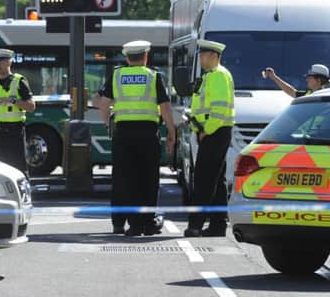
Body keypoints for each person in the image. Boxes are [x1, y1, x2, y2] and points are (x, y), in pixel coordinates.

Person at [97, 40, 176, 237]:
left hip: (123, 134)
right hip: (148, 133)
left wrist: (108, 124)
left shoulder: (116, 75)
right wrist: (171, 131)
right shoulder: (153, 76)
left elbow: (103, 104)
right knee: (149, 179)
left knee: (128, 179)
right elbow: (165, 107)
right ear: (146, 56)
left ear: (127, 58)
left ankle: (134, 225)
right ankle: (148, 223)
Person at [184, 39, 235, 238]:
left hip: (214, 132)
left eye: (203, 55)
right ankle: (217, 225)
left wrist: (206, 130)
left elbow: (220, 110)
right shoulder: (212, 76)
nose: (200, 58)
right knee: (217, 181)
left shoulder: (218, 76)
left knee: (203, 180)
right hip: (213, 131)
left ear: (214, 56)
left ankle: (195, 225)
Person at [0, 49, 35, 174]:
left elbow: (31, 106)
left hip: (14, 132)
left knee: (18, 168)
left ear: (9, 63)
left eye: (1, 62)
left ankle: (23, 193)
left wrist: (13, 101)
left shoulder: (19, 81)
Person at [262, 64, 330, 97]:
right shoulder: (308, 94)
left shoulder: (327, 97)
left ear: (318, 80)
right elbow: (291, 91)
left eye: (310, 78)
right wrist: (274, 77)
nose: (307, 80)